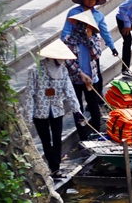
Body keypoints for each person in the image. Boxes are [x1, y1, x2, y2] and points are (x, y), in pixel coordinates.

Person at [23, 39, 81, 179]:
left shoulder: (63, 71)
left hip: (56, 109)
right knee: (45, 140)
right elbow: (30, 94)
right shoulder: (35, 70)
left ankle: (55, 168)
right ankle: (52, 165)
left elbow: (69, 91)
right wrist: (28, 117)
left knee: (57, 139)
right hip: (40, 110)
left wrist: (77, 110)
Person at [61, 0, 118, 102]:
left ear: (96, 1)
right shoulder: (73, 12)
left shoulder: (98, 15)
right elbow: (67, 30)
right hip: (75, 46)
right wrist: (64, 45)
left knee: (95, 71)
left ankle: (97, 95)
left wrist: (112, 47)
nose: (90, 1)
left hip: (91, 46)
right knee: (75, 71)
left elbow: (105, 32)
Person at [62, 10, 102, 141]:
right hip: (76, 79)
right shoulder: (69, 39)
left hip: (92, 78)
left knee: (94, 108)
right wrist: (80, 73)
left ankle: (96, 133)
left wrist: (89, 39)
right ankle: (83, 137)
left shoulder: (95, 38)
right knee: (77, 110)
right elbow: (68, 60)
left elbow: (96, 55)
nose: (83, 28)